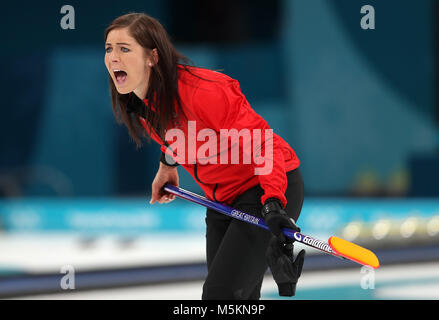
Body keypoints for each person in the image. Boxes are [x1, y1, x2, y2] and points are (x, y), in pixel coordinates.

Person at [104, 12, 305, 300]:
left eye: (124, 49)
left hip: (264, 188)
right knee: (236, 299)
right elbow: (177, 130)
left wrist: (273, 202)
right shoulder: (142, 99)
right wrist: (167, 165)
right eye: (109, 48)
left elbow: (264, 144)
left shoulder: (205, 92)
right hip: (222, 200)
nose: (113, 57)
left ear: (152, 57)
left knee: (219, 296)